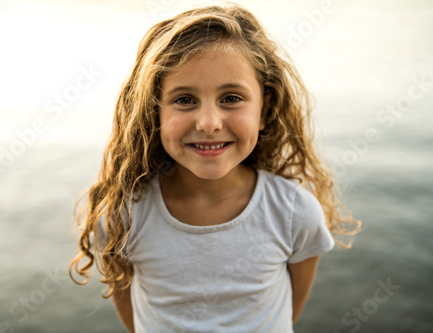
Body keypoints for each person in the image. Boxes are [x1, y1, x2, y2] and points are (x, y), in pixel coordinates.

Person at [69, 3, 361, 332]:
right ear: (155, 114)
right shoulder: (124, 216)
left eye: (232, 98)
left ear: (264, 111)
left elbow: (287, 312)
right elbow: (130, 309)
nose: (209, 123)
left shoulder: (295, 213)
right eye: (184, 100)